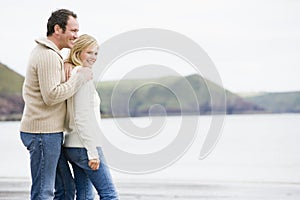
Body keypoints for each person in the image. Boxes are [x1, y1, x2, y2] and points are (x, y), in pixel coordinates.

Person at [20, 9, 93, 200]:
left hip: (47, 132)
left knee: (66, 189)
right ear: (58, 29)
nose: (76, 36)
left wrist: (69, 64)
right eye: (73, 30)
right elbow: (52, 96)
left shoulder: (52, 55)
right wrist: (80, 78)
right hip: (42, 133)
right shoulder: (48, 56)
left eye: (78, 31)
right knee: (44, 191)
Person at [62, 34, 119, 200]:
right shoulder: (83, 75)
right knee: (109, 194)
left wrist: (67, 62)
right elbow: (82, 117)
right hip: (84, 146)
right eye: (89, 53)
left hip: (72, 145)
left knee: (86, 195)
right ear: (78, 52)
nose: (93, 57)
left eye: (96, 53)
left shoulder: (72, 72)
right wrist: (93, 152)